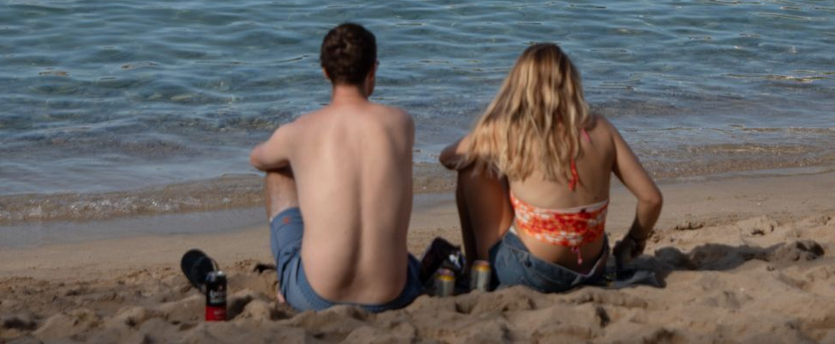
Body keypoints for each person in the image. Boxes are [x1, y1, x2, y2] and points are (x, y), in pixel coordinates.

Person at [439, 43, 662, 293]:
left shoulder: (509, 129)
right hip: (592, 268)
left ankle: (477, 269)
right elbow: (651, 199)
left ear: (518, 85)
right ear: (570, 82)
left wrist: (494, 137)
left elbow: (448, 157)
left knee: (473, 167)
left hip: (532, 271)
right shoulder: (600, 128)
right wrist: (634, 240)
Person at [250, 23, 423, 312]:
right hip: (392, 293)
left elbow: (258, 159)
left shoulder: (300, 131)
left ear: (325, 73)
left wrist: (299, 156)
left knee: (278, 173)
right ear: (373, 69)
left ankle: (289, 281)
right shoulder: (401, 123)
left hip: (317, 296)